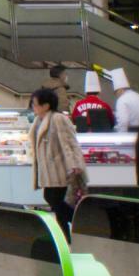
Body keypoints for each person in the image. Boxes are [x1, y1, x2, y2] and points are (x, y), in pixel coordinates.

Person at [31, 86, 87, 232]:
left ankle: (80, 224)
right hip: (50, 170)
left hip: (60, 168)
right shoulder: (39, 120)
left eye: (35, 104)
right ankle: (66, 234)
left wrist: (74, 164)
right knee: (54, 200)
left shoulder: (58, 119)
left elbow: (69, 142)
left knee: (54, 199)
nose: (33, 107)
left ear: (46, 105)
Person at [111, 67, 139, 133]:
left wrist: (120, 138)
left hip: (134, 133)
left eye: (116, 92)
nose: (116, 94)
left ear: (120, 89)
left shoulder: (122, 100)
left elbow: (123, 122)